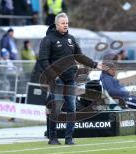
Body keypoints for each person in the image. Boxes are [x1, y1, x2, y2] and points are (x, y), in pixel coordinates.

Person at [36, 12, 105, 145]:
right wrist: (53, 75)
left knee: (71, 108)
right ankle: (53, 138)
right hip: (56, 80)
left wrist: (95, 64)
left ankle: (69, 138)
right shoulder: (48, 40)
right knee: (56, 108)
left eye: (67, 23)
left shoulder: (71, 39)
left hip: (70, 79)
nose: (66, 25)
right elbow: (43, 60)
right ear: (56, 25)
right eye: (63, 23)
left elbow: (79, 56)